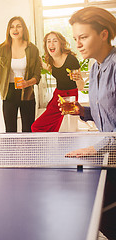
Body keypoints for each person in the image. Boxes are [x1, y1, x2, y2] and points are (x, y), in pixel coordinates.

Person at [66, 6, 116, 239]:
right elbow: (106, 111)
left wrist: (95, 148)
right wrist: (83, 111)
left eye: (83, 37)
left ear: (104, 34)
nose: (78, 44)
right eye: (76, 38)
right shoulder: (94, 66)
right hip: (112, 154)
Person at [0, 16, 42, 132]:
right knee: (10, 131)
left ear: (23, 29)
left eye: (19, 26)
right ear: (8, 30)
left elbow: (37, 76)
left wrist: (27, 83)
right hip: (8, 93)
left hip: (27, 93)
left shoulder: (32, 49)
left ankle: (28, 151)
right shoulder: (2, 49)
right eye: (12, 27)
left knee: (28, 131)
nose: (15, 29)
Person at [31, 31, 84, 132]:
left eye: (55, 41)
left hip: (69, 97)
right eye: (48, 41)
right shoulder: (51, 59)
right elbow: (51, 69)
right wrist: (40, 62)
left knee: (36, 127)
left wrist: (77, 79)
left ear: (61, 44)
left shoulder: (70, 59)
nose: (51, 44)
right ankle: (52, 144)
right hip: (58, 95)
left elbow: (81, 86)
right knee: (51, 127)